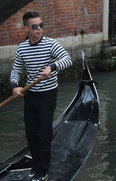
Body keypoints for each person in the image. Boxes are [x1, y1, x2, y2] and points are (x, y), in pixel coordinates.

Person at [10, 10, 73, 181]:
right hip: (31, 95)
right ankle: (36, 164)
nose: (39, 29)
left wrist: (51, 67)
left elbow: (68, 59)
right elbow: (16, 70)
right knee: (31, 133)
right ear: (27, 30)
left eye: (41, 25)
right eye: (35, 27)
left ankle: (43, 169)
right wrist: (15, 86)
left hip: (48, 95)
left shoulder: (51, 44)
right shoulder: (22, 48)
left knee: (43, 133)